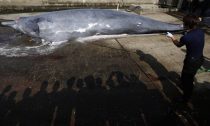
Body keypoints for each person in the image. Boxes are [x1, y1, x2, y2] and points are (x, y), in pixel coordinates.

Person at [166, 14, 205, 103]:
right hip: (199, 59)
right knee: (190, 76)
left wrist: (171, 37)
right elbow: (193, 36)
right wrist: (187, 32)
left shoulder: (186, 37)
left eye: (184, 23)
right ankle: (186, 86)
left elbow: (178, 44)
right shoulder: (201, 31)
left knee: (187, 79)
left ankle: (186, 98)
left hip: (191, 62)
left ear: (187, 25)